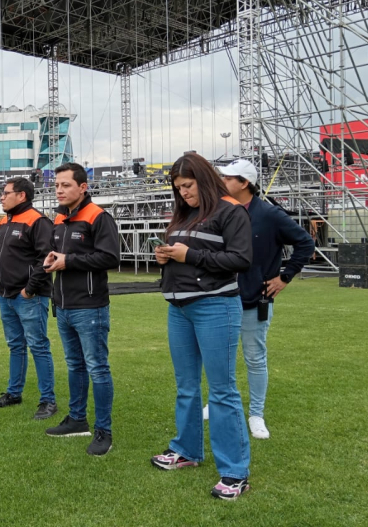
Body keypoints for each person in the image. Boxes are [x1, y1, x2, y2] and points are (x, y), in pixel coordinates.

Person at [150, 152, 253, 500]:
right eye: (178, 188)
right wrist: (165, 255)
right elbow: (185, 252)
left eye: (188, 186)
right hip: (178, 307)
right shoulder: (183, 214)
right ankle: (187, 451)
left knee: (222, 390)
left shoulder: (230, 211)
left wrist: (188, 255)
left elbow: (241, 260)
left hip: (216, 307)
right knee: (186, 386)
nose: (184, 194)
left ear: (204, 180)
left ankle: (235, 472)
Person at [209, 158, 315, 439]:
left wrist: (285, 277)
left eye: (228, 178)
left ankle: (256, 414)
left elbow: (306, 242)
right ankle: (218, 403)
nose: (222, 182)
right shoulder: (220, 211)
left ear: (245, 183)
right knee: (221, 357)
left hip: (254, 299)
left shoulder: (269, 214)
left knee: (255, 358)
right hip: (219, 297)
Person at [44, 163, 120, 456]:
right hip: (63, 306)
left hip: (90, 307)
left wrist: (69, 261)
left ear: (83, 187)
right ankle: (77, 419)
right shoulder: (60, 220)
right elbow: (61, 256)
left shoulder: (98, 217)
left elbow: (111, 257)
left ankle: (104, 431)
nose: (60, 190)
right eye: (57, 186)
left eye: (65, 185)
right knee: (75, 366)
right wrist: (51, 261)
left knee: (98, 368)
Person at [0, 177, 57, 420]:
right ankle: (13, 392)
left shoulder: (38, 221)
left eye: (6, 193)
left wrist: (30, 289)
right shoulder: (4, 222)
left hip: (29, 297)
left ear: (22, 196)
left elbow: (45, 259)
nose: (1, 197)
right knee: (15, 345)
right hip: (6, 295)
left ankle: (48, 400)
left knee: (38, 346)